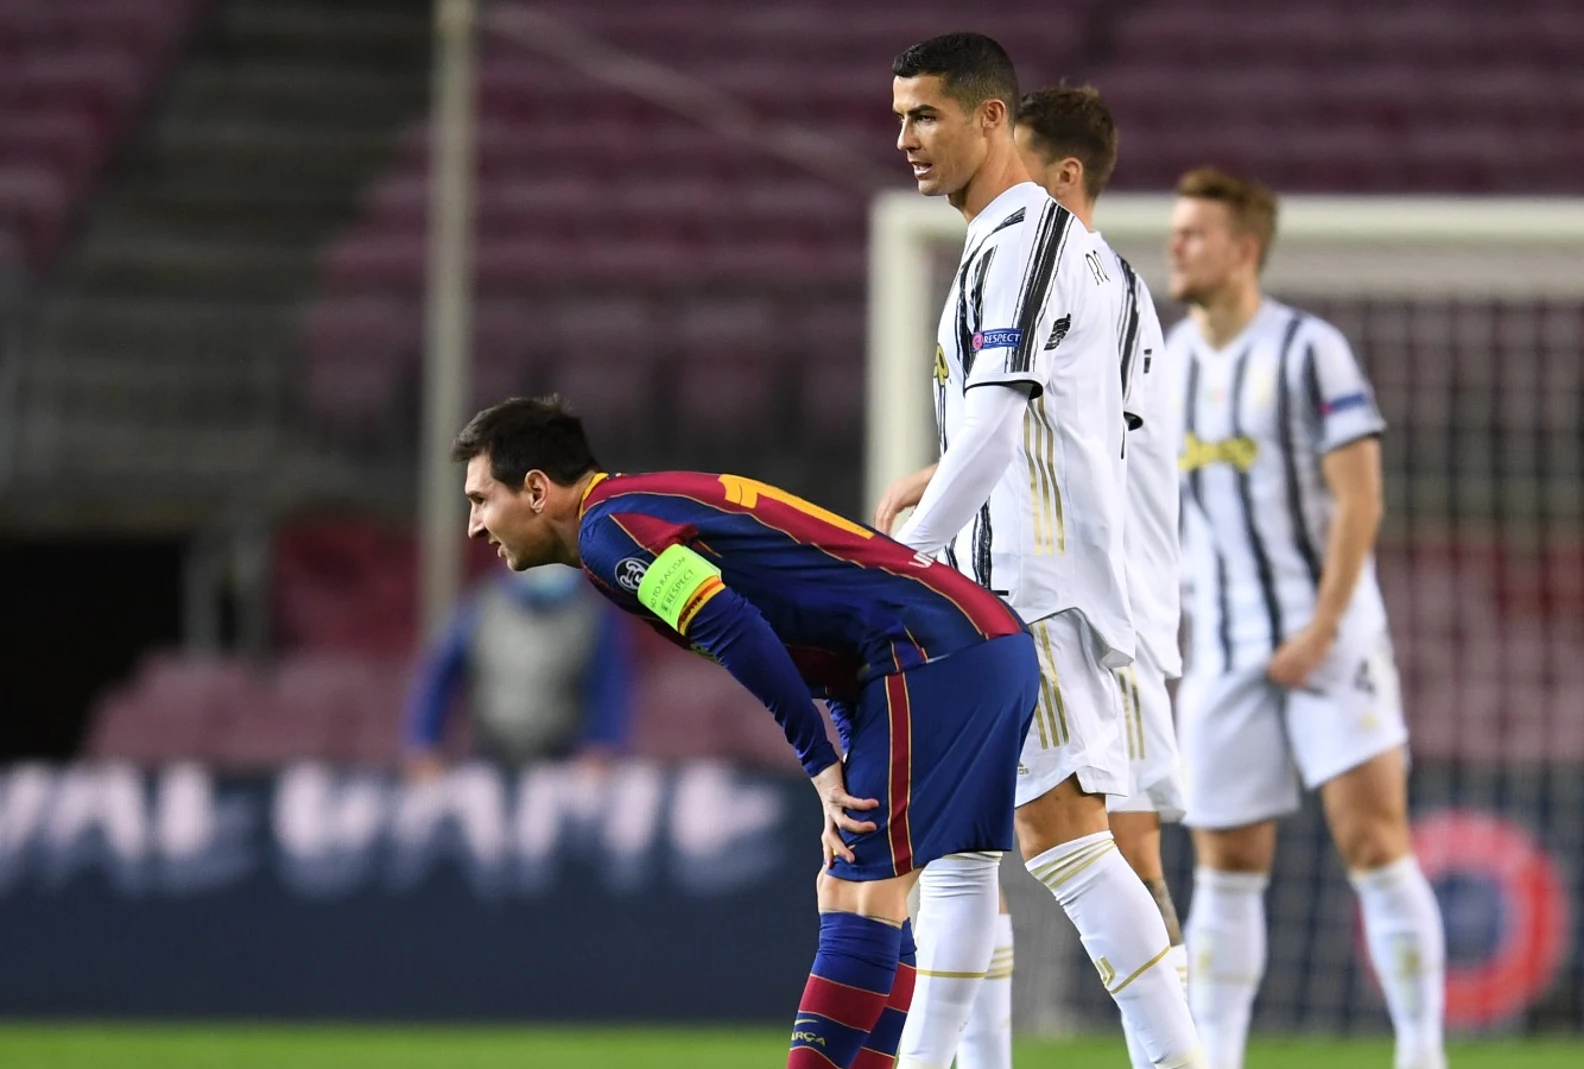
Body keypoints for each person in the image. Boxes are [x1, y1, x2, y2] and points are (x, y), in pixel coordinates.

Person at [453, 396, 1039, 1069]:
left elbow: (736, 628)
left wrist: (819, 765)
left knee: (860, 887)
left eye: (480, 498)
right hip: (955, 647)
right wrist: (842, 748)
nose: (472, 526)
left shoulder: (609, 531)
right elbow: (823, 632)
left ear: (535, 489)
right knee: (867, 888)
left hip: (930, 653)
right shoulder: (635, 509)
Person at [875, 34, 1204, 1069]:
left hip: (1028, 589)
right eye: (898, 118)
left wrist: (901, 561)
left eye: (925, 116)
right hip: (1012, 585)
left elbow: (994, 427)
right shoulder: (1055, 254)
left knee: (1065, 838)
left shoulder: (1027, 241)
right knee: (961, 853)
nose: (905, 140)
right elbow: (1050, 426)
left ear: (990, 121)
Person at [1165, 168, 1447, 1069]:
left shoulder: (1308, 349)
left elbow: (1360, 500)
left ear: (1244, 250)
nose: (1176, 246)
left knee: (1373, 839)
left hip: (1329, 637)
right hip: (1224, 644)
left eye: (1195, 234)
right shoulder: (1169, 361)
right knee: (1227, 861)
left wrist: (1323, 627)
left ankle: (1420, 1051)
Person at [1006, 82, 1186, 1069]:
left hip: (1096, 606)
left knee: (1055, 843)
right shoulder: (1103, 279)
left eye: (1016, 161)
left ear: (1064, 175)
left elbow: (1072, 447)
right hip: (1123, 604)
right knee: (1122, 848)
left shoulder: (1079, 278)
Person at [402, 562, 635, 776]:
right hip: (489, 757)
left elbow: (610, 685)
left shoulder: (592, 612)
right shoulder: (482, 604)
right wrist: (424, 742)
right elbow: (438, 677)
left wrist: (602, 745)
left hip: (562, 763)